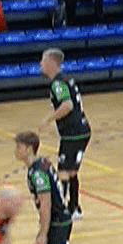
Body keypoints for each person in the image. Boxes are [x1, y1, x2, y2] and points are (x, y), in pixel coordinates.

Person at [39, 48, 91, 219]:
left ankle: (62, 210)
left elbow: (67, 105)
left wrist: (48, 119)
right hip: (81, 130)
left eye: (43, 61)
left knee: (63, 172)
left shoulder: (58, 83)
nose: (40, 65)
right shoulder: (67, 79)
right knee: (71, 171)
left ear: (51, 63)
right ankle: (74, 208)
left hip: (73, 132)